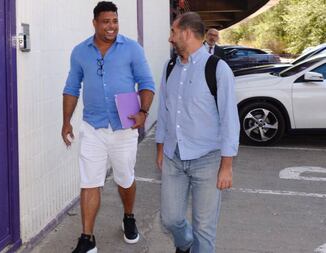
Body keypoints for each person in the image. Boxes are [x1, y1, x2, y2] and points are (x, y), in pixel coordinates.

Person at [62, 2, 155, 253]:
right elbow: (71, 88)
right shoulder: (80, 52)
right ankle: (87, 238)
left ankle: (128, 216)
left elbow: (146, 82)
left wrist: (143, 112)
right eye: (106, 21)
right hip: (93, 127)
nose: (111, 26)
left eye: (114, 21)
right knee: (90, 182)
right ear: (95, 23)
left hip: (124, 127)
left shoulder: (132, 49)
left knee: (125, 179)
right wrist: (66, 121)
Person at [156, 12, 239, 253]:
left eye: (173, 31)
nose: (170, 38)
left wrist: (227, 165)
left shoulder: (218, 69)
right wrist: (161, 147)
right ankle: (186, 244)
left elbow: (229, 119)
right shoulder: (170, 66)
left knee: (204, 228)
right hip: (174, 157)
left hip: (208, 160)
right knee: (170, 219)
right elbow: (164, 110)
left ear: (186, 33)